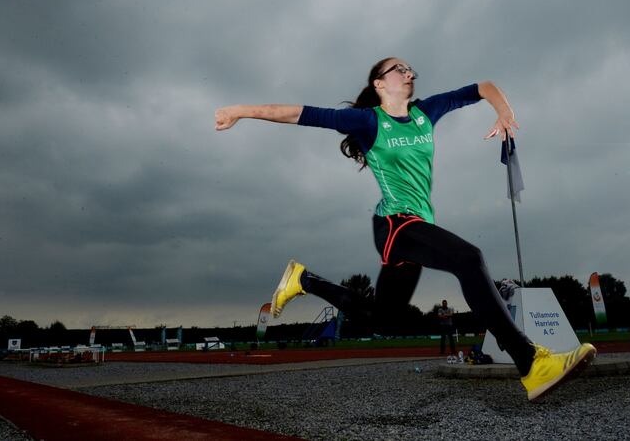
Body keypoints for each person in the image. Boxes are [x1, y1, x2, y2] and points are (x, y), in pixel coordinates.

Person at [215, 57, 596, 401]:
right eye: (399, 68)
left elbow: (481, 88)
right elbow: (299, 113)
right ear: (379, 83)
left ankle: (305, 280)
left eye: (411, 68)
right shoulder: (367, 121)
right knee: (469, 258)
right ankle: (531, 362)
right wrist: (240, 111)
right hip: (395, 223)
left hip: (417, 226)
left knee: (381, 317)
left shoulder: (425, 113)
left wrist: (504, 112)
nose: (409, 72)